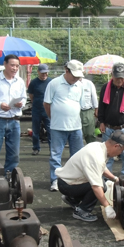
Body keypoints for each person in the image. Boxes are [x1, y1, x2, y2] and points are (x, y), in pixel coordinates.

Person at [56, 130, 124, 222]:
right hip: (67, 185)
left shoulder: (98, 146)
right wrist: (107, 206)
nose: (120, 153)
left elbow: (102, 168)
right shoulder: (96, 157)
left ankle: (72, 199)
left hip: (66, 181)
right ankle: (82, 211)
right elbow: (96, 186)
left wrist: (115, 178)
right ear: (116, 146)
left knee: (100, 183)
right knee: (101, 186)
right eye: (121, 150)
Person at [44, 60, 85, 191]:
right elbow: (47, 104)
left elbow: (80, 104)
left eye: (79, 76)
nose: (76, 79)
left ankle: (75, 180)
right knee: (56, 155)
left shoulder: (79, 85)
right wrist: (54, 118)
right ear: (66, 71)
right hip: (57, 127)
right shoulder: (54, 83)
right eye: (74, 76)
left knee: (77, 156)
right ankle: (55, 180)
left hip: (76, 126)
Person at [0, 54, 27, 174]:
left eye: (17, 66)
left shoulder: (20, 81)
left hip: (14, 120)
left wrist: (21, 103)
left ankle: (9, 176)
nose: (15, 68)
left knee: (14, 153)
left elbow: (24, 98)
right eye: (12, 65)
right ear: (5, 64)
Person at [98, 63, 124, 175]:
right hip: (109, 127)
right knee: (107, 155)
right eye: (117, 77)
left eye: (122, 77)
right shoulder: (105, 88)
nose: (119, 80)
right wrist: (101, 121)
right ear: (112, 75)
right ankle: (107, 179)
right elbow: (101, 107)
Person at [27, 64, 51, 155]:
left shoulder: (51, 82)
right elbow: (31, 95)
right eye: (42, 73)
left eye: (45, 73)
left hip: (48, 110)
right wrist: (35, 103)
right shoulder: (34, 83)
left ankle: (52, 149)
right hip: (37, 110)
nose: (44, 74)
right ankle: (36, 148)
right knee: (35, 130)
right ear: (38, 72)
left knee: (50, 130)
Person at [80, 76, 98, 145]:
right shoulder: (70, 83)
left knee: (90, 134)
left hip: (87, 110)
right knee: (76, 135)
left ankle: (91, 150)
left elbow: (94, 96)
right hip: (75, 111)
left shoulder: (88, 83)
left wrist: (96, 108)